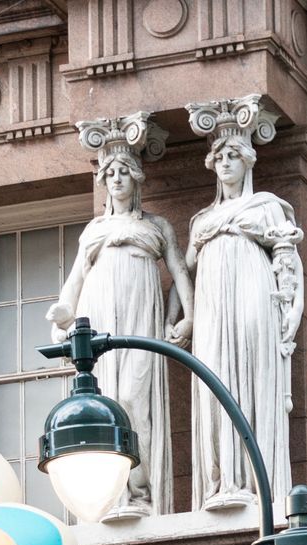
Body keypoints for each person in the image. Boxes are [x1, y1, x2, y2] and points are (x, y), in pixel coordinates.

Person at [48, 143, 193, 517]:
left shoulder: (155, 225)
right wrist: (62, 317)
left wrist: (188, 316)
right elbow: (77, 278)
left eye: (123, 172)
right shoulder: (95, 229)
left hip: (139, 316)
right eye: (109, 174)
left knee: (133, 400)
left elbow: (178, 270)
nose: (116, 179)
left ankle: (143, 491)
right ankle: (121, 495)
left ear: (136, 178)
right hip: (100, 314)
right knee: (110, 401)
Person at [186, 126, 303, 507]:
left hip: (252, 293)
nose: (224, 164)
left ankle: (256, 482)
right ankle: (224, 482)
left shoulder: (266, 206)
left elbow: (287, 255)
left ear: (247, 162)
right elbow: (187, 264)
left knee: (252, 377)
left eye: (232, 156)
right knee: (215, 378)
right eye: (218, 158)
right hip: (212, 304)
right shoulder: (202, 219)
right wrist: (182, 315)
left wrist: (291, 305)